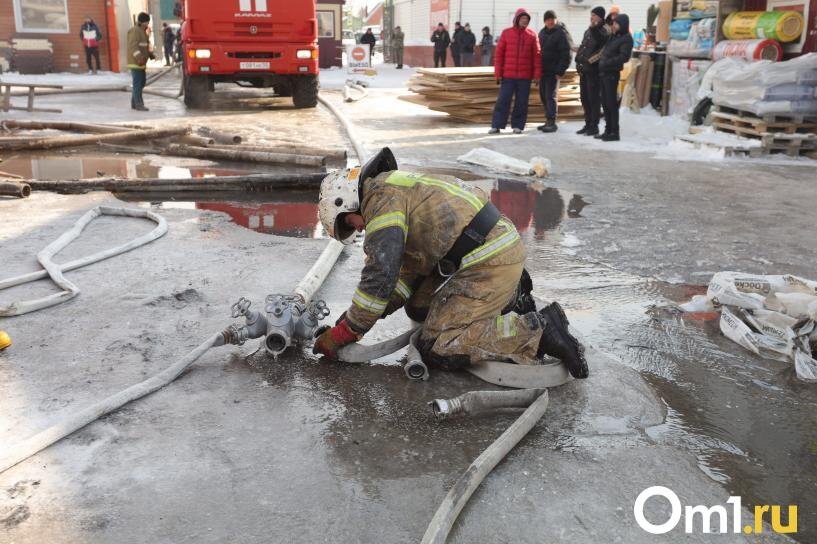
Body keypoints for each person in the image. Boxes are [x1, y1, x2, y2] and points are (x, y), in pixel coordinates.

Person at [312, 148, 588, 379]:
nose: (359, 229)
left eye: (350, 222)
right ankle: (508, 300)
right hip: (490, 248)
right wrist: (346, 324)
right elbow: (405, 276)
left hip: (488, 261)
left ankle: (538, 330)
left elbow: (379, 276)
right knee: (420, 306)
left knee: (439, 344)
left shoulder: (380, 202)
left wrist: (349, 329)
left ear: (348, 199)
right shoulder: (391, 187)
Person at [489, 9, 541, 135]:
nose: (525, 21)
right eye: (523, 18)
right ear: (517, 19)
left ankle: (518, 126)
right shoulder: (506, 33)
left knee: (521, 102)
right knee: (503, 100)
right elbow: (499, 55)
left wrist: (537, 75)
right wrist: (497, 73)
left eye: (527, 19)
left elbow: (537, 56)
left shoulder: (532, 35)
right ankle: (497, 125)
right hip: (508, 76)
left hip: (525, 77)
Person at [598, 14, 633, 141]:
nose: (614, 26)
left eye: (616, 24)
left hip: (612, 73)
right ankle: (608, 129)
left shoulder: (626, 38)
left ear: (623, 25)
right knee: (605, 103)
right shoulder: (613, 36)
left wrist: (606, 63)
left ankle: (614, 132)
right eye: (614, 24)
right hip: (603, 73)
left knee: (611, 103)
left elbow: (624, 57)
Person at [575, 6, 609, 137]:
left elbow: (602, 46)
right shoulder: (589, 30)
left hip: (594, 70)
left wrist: (589, 62)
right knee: (584, 98)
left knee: (593, 98)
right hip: (584, 70)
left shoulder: (604, 30)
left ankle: (594, 126)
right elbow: (583, 46)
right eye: (591, 15)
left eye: (594, 15)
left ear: (600, 17)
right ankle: (588, 123)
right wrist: (578, 60)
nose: (591, 17)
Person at [537, 11, 571, 133]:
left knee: (550, 96)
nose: (550, 21)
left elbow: (566, 54)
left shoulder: (561, 33)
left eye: (553, 19)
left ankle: (552, 122)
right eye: (548, 19)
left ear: (556, 20)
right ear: (545, 21)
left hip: (553, 71)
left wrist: (560, 71)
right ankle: (547, 120)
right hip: (542, 71)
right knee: (543, 96)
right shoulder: (541, 33)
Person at [127, 12, 154, 111]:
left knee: (141, 83)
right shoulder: (135, 31)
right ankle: (139, 104)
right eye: (147, 22)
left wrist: (150, 54)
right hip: (136, 62)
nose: (148, 24)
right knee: (138, 83)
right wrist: (139, 58)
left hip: (141, 63)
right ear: (143, 22)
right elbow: (133, 46)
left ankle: (134, 103)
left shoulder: (142, 31)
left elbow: (144, 45)